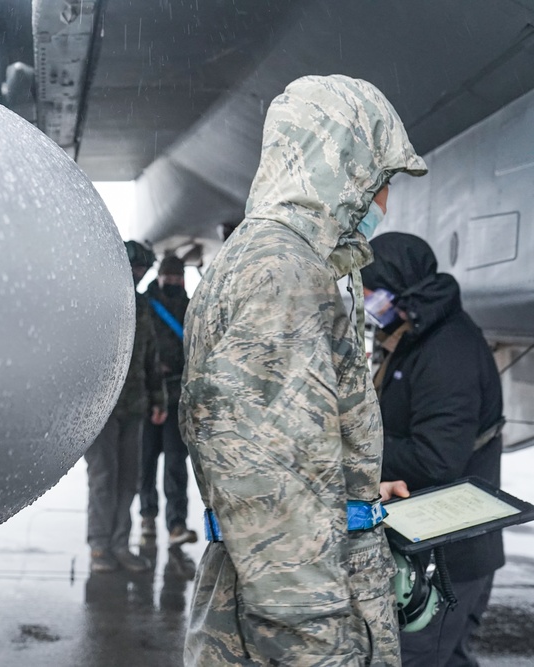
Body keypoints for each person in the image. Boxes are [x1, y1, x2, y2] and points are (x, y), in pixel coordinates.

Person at [178, 74, 426, 665]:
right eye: (382, 179)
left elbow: (278, 458)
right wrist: (321, 650)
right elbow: (272, 503)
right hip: (297, 627)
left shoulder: (267, 259)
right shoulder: (284, 277)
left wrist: (354, 497)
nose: (385, 202)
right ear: (344, 165)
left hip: (267, 595)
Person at [362, 232, 504, 667]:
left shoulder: (447, 350)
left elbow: (438, 458)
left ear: (398, 288)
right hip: (432, 546)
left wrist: (358, 451)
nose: (367, 302)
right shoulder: (416, 333)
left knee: (421, 658)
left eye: (371, 292)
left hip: (452, 557)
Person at [86, 240, 167, 573]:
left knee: (128, 480)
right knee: (104, 478)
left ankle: (120, 544)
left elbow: (151, 356)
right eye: (135, 268)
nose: (138, 274)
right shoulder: (96, 302)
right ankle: (99, 545)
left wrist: (158, 398)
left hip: (134, 407)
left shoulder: (142, 306)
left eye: (143, 270)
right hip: (100, 412)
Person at [139, 254, 198, 547]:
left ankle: (176, 524)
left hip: (176, 398)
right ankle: (147, 518)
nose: (174, 282)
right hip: (149, 397)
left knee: (176, 463)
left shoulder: (189, 308)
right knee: (145, 462)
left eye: (178, 278)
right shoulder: (146, 306)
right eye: (169, 277)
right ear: (159, 277)